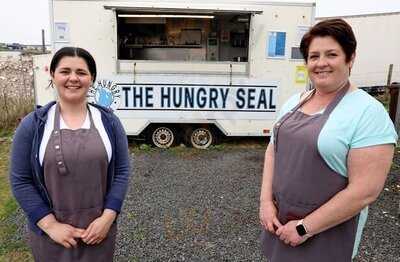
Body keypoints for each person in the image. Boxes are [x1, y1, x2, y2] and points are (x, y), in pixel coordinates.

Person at [259, 19, 397, 262]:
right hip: (280, 224)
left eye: (331, 54)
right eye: (314, 56)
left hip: (325, 235)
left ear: (350, 58)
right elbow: (273, 151)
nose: (321, 63)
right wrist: (266, 203)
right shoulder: (295, 101)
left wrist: (304, 227)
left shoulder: (368, 113)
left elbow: (364, 192)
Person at [10, 47, 131, 261]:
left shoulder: (109, 122)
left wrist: (108, 217)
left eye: (81, 72)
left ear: (92, 78)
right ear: (53, 75)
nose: (73, 78)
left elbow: (121, 172)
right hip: (51, 237)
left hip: (98, 233)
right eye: (65, 71)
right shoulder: (33, 125)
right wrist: (50, 225)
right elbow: (20, 180)